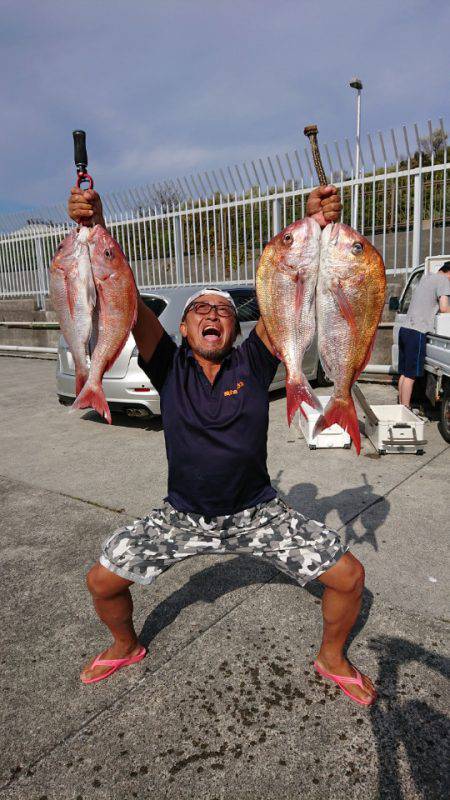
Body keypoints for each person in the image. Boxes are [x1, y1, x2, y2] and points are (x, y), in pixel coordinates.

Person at [68, 183, 376, 706]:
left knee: (349, 576)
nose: (213, 315)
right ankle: (125, 645)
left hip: (257, 514)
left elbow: (292, 284)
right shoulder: (166, 365)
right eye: (201, 311)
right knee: (102, 580)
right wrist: (94, 226)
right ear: (184, 329)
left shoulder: (254, 363)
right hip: (182, 516)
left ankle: (332, 658)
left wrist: (315, 228)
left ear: (236, 329)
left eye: (224, 312)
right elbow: (127, 294)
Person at [398, 263, 450, 408]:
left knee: (404, 373)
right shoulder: (443, 281)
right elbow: (444, 308)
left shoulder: (427, 278)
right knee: (410, 375)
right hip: (417, 331)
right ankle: (406, 410)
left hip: (405, 330)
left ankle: (402, 407)